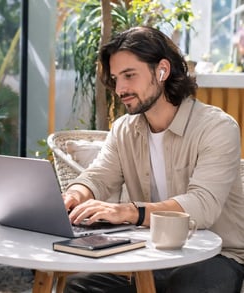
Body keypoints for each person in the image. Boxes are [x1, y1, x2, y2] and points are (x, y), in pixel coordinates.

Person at [62, 26, 244, 293]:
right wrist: (74, 195)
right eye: (115, 78)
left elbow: (202, 206)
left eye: (129, 75)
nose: (120, 88)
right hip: (152, 255)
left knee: (187, 286)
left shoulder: (217, 128)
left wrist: (128, 211)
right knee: (79, 286)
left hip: (218, 255)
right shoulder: (124, 129)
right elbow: (98, 177)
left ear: (162, 71)